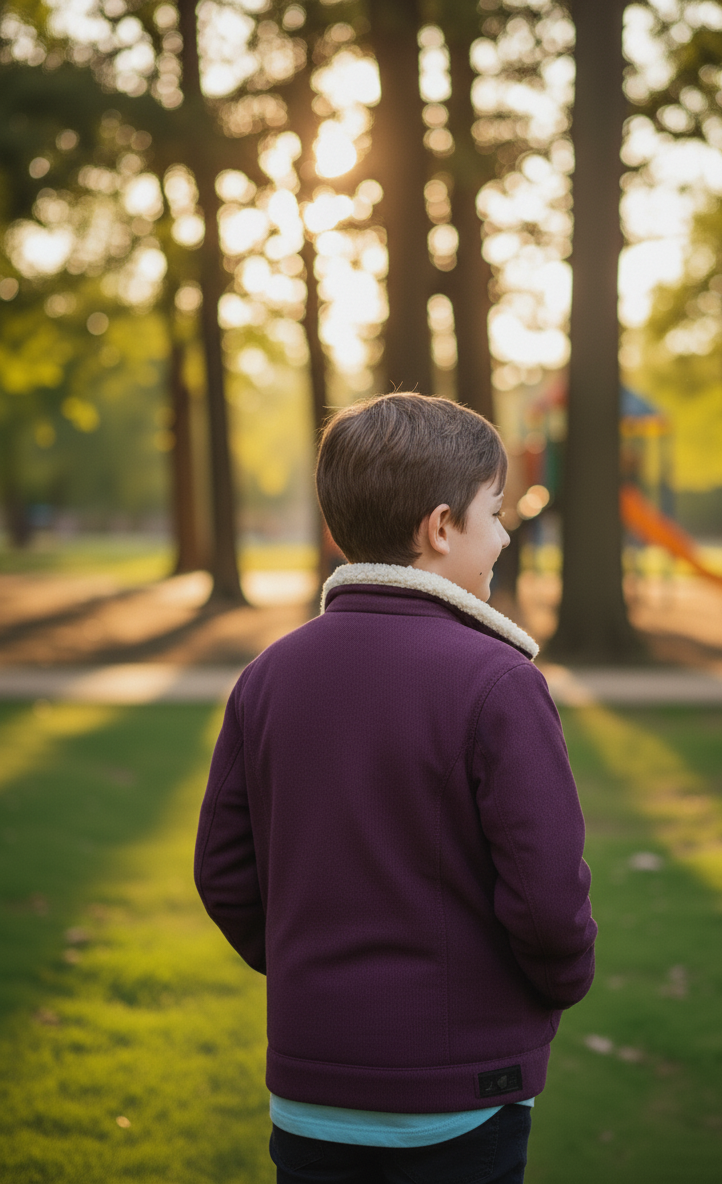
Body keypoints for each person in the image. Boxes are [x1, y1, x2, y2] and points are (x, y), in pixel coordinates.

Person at [194, 393, 597, 1184]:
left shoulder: (267, 676)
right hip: (460, 1094)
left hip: (311, 1093)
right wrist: (560, 985)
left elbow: (224, 874)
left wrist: (317, 975)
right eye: (494, 512)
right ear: (441, 527)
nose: (504, 535)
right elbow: (547, 897)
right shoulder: (499, 682)